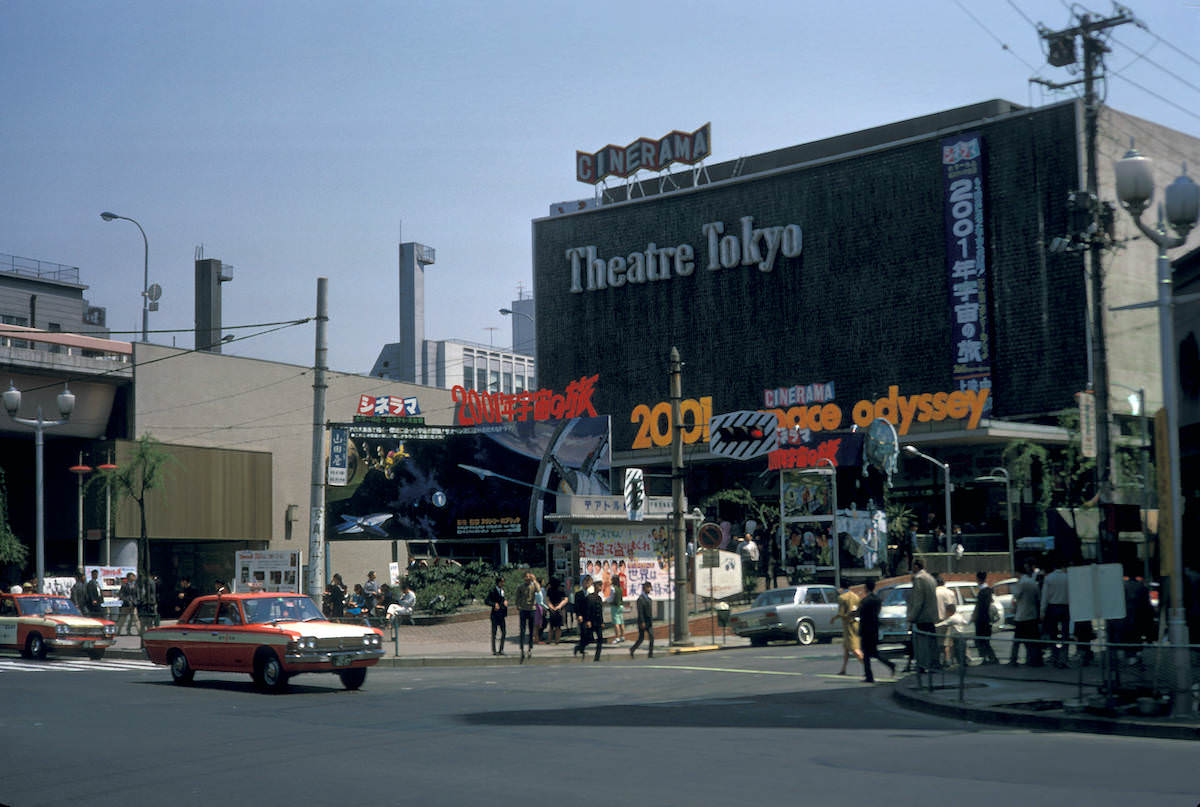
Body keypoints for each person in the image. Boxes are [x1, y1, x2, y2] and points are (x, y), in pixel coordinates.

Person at [857, 579, 894, 682]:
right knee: (873, 652)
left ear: (866, 588)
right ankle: (888, 665)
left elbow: (859, 613)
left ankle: (869, 676)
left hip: (865, 629)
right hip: (874, 628)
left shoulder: (865, 601)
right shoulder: (878, 600)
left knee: (867, 654)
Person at [907, 559, 938, 674]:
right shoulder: (930, 578)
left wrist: (912, 617)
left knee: (921, 643)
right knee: (931, 643)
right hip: (931, 615)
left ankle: (922, 665)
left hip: (922, 616)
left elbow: (918, 601)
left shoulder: (918, 579)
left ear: (916, 566)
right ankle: (934, 664)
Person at [1011, 559, 1042, 666]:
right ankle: (1032, 660)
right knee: (1031, 641)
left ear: (1017, 572)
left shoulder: (1021, 583)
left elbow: (1016, 595)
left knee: (1017, 641)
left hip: (1021, 616)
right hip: (1032, 615)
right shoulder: (1033, 582)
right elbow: (1038, 598)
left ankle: (1013, 660)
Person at [1040, 558, 1070, 668]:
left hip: (1052, 607)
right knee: (1065, 634)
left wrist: (1042, 611)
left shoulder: (1048, 578)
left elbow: (1045, 596)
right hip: (1066, 607)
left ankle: (1055, 656)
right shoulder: (1068, 578)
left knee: (1053, 634)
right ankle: (1064, 658)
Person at [832, 581, 863, 675]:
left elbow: (841, 613)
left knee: (854, 649)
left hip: (847, 625)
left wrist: (833, 619)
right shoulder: (856, 596)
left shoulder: (841, 598)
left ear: (841, 588)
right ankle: (843, 669)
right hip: (856, 623)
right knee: (846, 648)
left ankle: (866, 666)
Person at [973, 570, 1000, 664]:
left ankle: (989, 658)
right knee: (985, 641)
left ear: (978, 578)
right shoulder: (989, 590)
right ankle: (990, 658)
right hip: (987, 619)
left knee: (981, 641)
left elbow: (980, 607)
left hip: (982, 620)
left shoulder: (982, 592)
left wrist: (975, 617)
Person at [514, 571, 538, 662]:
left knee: (531, 630)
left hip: (532, 609)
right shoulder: (520, 587)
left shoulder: (533, 586)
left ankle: (530, 648)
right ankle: (522, 648)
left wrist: (534, 580)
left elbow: (539, 590)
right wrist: (517, 605)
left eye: (529, 577)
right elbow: (517, 597)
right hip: (523, 609)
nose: (527, 579)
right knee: (522, 630)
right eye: (526, 577)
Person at [935, 573, 957, 666]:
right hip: (948, 619)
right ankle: (948, 660)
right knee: (947, 642)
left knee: (937, 643)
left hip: (936, 620)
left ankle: (939, 661)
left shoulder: (933, 592)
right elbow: (953, 607)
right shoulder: (950, 593)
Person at [630, 581, 655, 658]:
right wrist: (642, 621)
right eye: (648, 588)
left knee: (652, 637)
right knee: (641, 638)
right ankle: (633, 649)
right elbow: (640, 611)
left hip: (649, 622)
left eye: (650, 588)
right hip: (643, 622)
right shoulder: (640, 599)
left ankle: (650, 654)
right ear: (645, 588)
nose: (649, 589)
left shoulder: (649, 599)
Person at [484, 576, 508, 656]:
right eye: (501, 582)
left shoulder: (502, 591)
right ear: (498, 582)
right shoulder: (493, 591)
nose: (503, 583)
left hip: (502, 615)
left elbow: (502, 599)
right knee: (494, 633)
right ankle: (494, 650)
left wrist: (505, 602)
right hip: (495, 615)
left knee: (504, 632)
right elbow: (486, 601)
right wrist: (494, 604)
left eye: (503, 582)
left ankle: (501, 649)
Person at [117, 572, 141, 636]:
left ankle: (140, 632)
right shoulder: (124, 585)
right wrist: (127, 600)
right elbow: (120, 594)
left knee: (135, 619)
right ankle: (118, 631)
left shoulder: (136, 586)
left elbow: (137, 595)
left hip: (133, 605)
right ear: (128, 578)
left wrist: (136, 601)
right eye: (132, 576)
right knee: (122, 619)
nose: (134, 577)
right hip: (126, 605)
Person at [546, 578, 568, 644]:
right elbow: (565, 599)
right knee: (558, 626)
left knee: (551, 626)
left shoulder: (549, 589)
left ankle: (549, 640)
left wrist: (551, 607)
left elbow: (547, 599)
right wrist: (559, 606)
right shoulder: (562, 589)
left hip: (552, 609)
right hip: (560, 609)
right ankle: (557, 640)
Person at [609, 576, 625, 644]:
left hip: (615, 606)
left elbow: (611, 598)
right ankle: (622, 636)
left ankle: (617, 637)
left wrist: (607, 600)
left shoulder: (613, 588)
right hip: (621, 606)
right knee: (621, 622)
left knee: (616, 623)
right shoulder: (620, 588)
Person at [533, 577, 547, 643]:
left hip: (536, 608)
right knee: (539, 624)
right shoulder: (541, 590)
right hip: (540, 608)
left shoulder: (534, 590)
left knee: (537, 624)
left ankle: (536, 637)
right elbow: (543, 601)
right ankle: (537, 638)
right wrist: (546, 608)